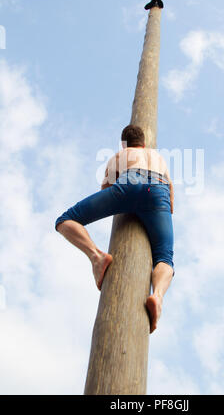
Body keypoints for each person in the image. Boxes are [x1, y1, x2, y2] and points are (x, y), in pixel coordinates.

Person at [55, 124, 174, 334]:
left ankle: (97, 257)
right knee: (165, 257)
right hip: (159, 189)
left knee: (65, 220)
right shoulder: (158, 158)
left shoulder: (120, 155)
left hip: (129, 183)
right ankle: (157, 296)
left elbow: (106, 187)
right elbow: (171, 193)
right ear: (144, 143)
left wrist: (123, 202)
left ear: (124, 143)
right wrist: (159, 211)